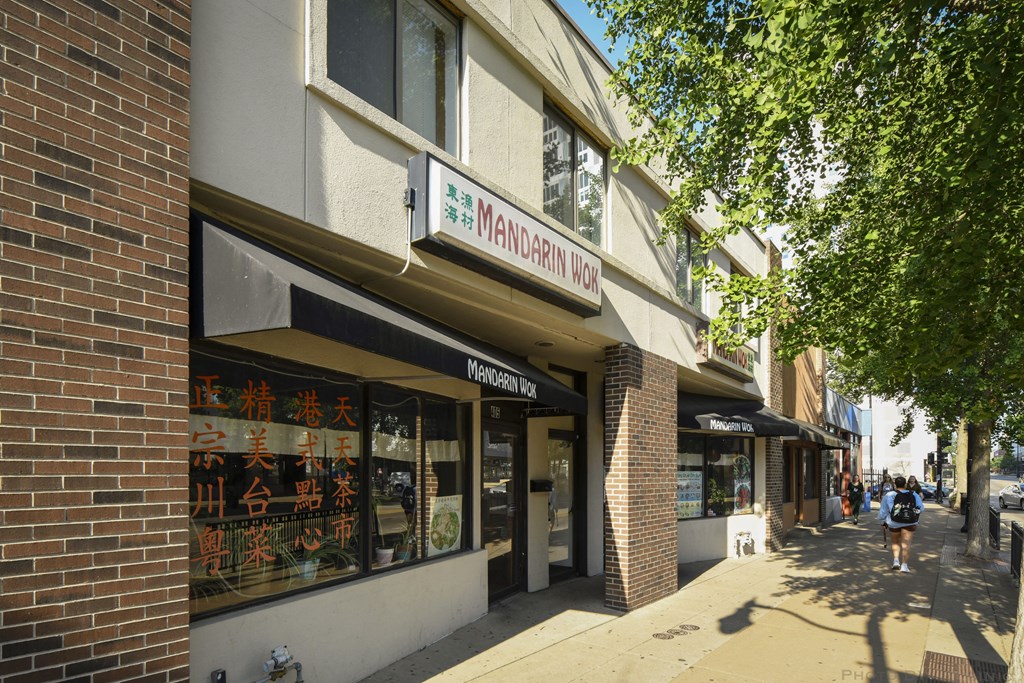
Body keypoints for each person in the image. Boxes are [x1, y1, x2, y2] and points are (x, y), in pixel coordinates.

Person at [877, 475, 923, 573]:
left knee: (895, 542)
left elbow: (883, 511)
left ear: (895, 485)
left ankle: (896, 561)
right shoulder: (914, 494)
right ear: (905, 484)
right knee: (906, 544)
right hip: (910, 522)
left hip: (894, 521)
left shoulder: (889, 495)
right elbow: (921, 508)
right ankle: (904, 565)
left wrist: (882, 520)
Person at [878, 474, 895, 547]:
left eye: (888, 477)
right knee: (884, 510)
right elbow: (879, 491)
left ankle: (888, 521)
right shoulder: (882, 483)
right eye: (885, 477)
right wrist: (879, 498)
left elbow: (895, 491)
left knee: (890, 510)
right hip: (883, 497)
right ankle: (885, 521)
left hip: (891, 498)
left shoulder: (892, 484)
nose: (887, 478)